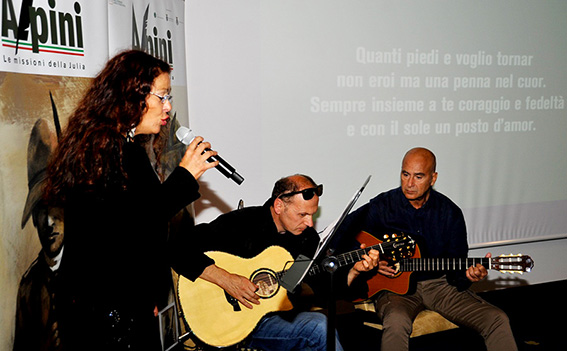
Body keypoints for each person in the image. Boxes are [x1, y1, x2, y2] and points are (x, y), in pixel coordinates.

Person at [43, 49, 218, 350]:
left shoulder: (120, 145)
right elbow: (135, 223)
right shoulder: (105, 150)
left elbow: (133, 234)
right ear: (133, 96)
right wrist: (186, 176)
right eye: (162, 96)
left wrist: (144, 295)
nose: (168, 107)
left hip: (120, 305)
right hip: (103, 314)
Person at [332, 147, 517, 351]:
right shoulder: (382, 206)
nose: (410, 184)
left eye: (418, 176)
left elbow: (457, 272)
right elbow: (339, 236)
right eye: (405, 174)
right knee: (396, 321)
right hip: (396, 289)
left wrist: (469, 276)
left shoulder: (449, 212)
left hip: (440, 286)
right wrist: (373, 262)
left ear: (433, 178)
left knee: (496, 319)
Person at [172, 174, 379, 351]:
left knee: (319, 330)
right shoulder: (243, 223)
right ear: (279, 205)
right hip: (229, 323)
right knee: (319, 328)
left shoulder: (306, 239)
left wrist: (354, 271)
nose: (309, 223)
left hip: (274, 318)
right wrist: (227, 280)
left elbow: (322, 287)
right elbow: (177, 248)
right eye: (302, 214)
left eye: (312, 215)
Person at [15, 118, 65, 351]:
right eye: (40, 211)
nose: (48, 221)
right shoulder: (29, 287)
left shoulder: (92, 263)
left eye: (53, 206)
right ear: (34, 219)